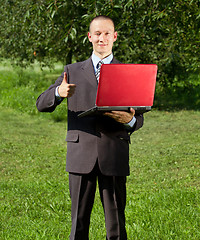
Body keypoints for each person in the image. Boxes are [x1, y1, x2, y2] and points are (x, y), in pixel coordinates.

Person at [36, 15, 144, 240]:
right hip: (80, 153)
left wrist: (130, 121)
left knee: (116, 225)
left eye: (106, 33)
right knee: (78, 224)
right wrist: (58, 93)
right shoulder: (72, 70)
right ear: (89, 37)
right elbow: (41, 103)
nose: (101, 38)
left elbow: (139, 116)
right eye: (97, 33)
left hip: (114, 153)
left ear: (114, 37)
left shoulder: (128, 72)